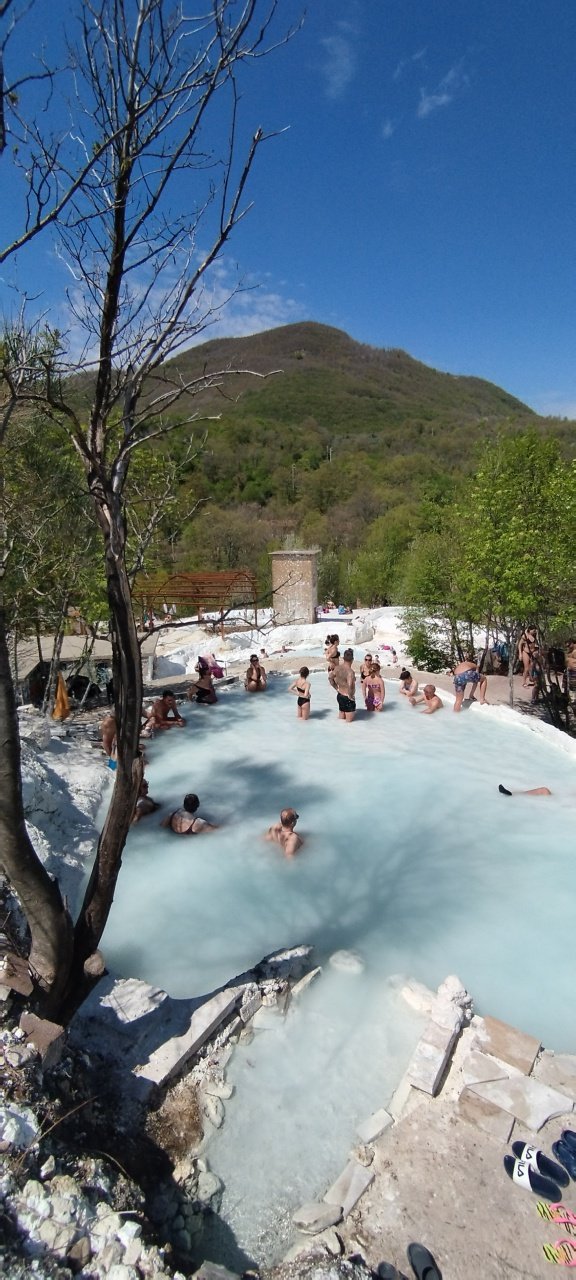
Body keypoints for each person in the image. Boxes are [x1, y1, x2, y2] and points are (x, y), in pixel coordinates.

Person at [328, 647, 356, 722]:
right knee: (349, 723)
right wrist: (350, 696)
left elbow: (330, 678)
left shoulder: (337, 668)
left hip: (340, 695)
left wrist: (336, 688)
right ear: (352, 659)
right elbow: (350, 685)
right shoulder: (350, 672)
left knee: (341, 719)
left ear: (343, 658)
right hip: (348, 698)